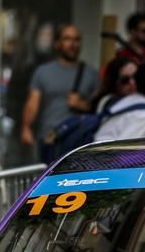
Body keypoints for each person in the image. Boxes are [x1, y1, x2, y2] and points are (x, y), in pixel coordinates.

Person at [20, 24, 98, 163]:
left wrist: (84, 106)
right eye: (67, 39)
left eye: (76, 39)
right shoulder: (43, 72)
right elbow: (32, 103)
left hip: (80, 139)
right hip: (50, 137)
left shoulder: (91, 73)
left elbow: (100, 108)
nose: (72, 44)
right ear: (57, 43)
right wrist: (26, 128)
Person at [92, 60, 145, 142]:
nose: (131, 83)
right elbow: (124, 150)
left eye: (133, 77)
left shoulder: (128, 101)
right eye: (125, 80)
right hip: (100, 153)